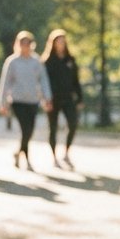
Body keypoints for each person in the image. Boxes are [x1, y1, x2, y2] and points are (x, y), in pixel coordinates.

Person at [0, 31, 53, 171]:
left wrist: (47, 98)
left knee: (29, 130)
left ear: (31, 45)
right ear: (18, 44)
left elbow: (44, 81)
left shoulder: (37, 61)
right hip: (17, 101)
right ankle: (27, 160)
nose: (25, 46)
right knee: (25, 129)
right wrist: (2, 102)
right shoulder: (12, 61)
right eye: (22, 43)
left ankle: (18, 153)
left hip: (33, 100)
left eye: (28, 43)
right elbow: (5, 83)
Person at [41, 29, 83, 169]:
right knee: (52, 128)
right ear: (53, 44)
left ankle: (66, 152)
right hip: (52, 99)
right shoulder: (47, 62)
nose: (61, 44)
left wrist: (80, 98)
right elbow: (42, 82)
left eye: (63, 42)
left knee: (73, 123)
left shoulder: (70, 60)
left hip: (68, 98)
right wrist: (45, 99)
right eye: (58, 42)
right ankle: (54, 156)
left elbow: (76, 81)